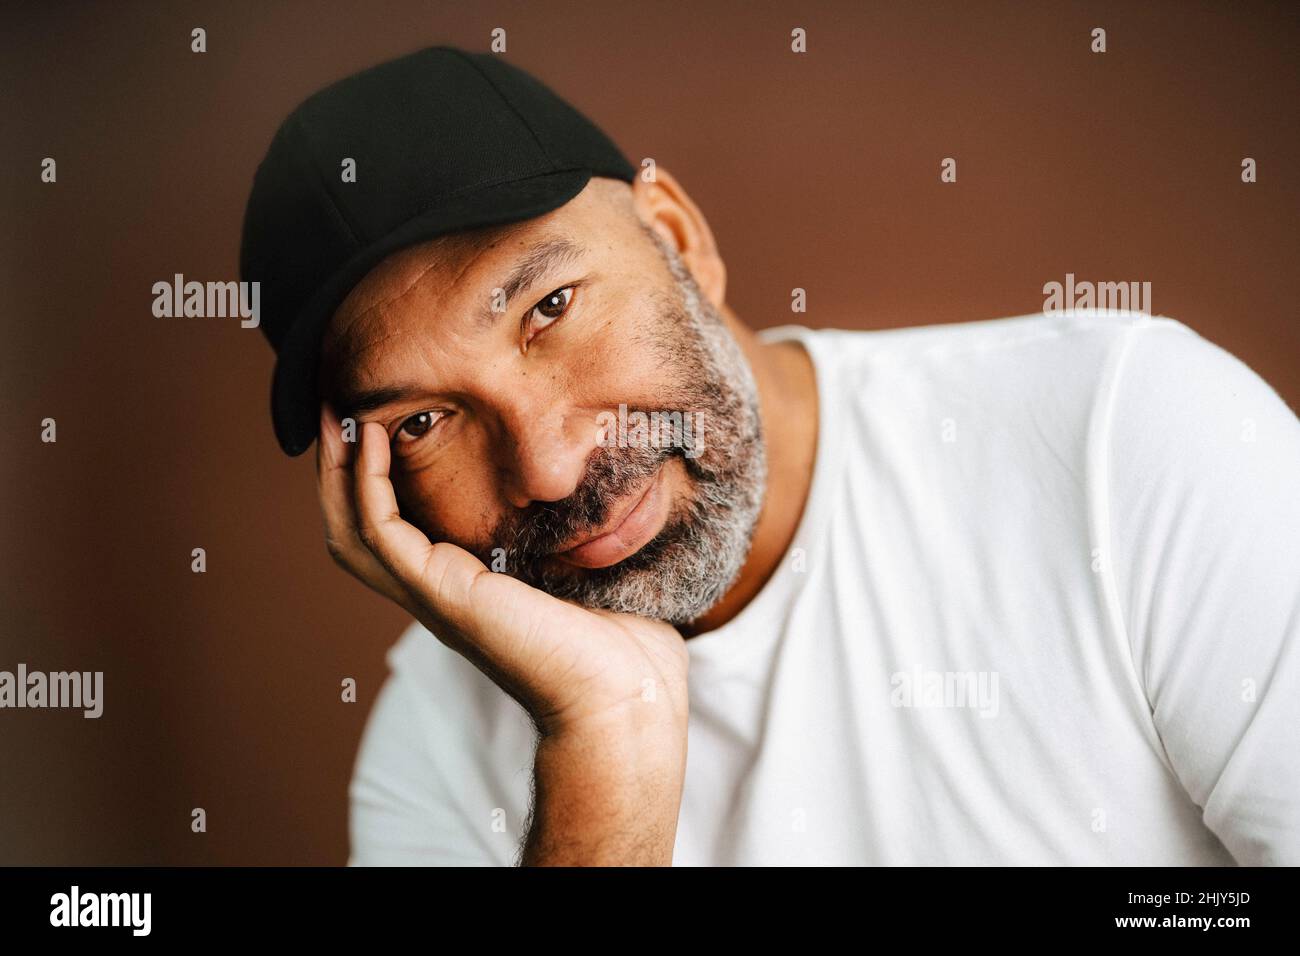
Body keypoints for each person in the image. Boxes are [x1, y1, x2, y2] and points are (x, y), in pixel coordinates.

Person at [239, 46, 1300, 865]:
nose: (551, 468)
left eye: (550, 307)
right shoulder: (435, 738)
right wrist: (609, 741)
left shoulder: (1124, 437)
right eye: (423, 420)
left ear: (677, 234)